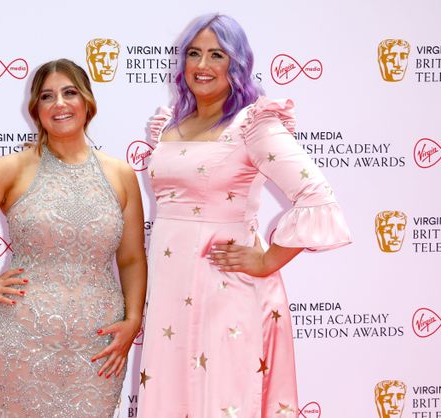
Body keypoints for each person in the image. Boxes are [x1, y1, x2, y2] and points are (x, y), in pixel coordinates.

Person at [137, 14, 352, 417]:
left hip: (225, 289)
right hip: (169, 292)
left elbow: (316, 194)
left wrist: (269, 259)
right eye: (194, 54)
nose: (202, 66)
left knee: (223, 399)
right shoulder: (168, 125)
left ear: (236, 64)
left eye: (216, 55)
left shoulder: (253, 124)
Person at [0, 58, 146, 417]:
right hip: (19, 345)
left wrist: (134, 318)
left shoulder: (120, 174)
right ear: (36, 109)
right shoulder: (15, 167)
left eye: (69, 92)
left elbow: (132, 258)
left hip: (98, 350)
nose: (59, 103)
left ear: (87, 102)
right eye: (47, 96)